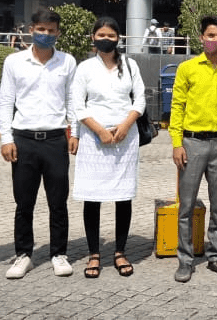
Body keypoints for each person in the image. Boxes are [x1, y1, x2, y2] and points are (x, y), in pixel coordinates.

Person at [0, 9, 77, 280]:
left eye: (51, 30)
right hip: (24, 139)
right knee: (24, 202)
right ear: (31, 30)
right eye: (41, 29)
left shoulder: (67, 62)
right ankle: (24, 255)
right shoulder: (14, 62)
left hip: (55, 139)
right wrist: (6, 138)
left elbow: (73, 101)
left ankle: (59, 253)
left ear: (58, 33)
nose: (46, 35)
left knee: (58, 201)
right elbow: (6, 101)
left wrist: (74, 132)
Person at [70, 17, 147, 279]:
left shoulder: (130, 65)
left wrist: (125, 125)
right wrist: (99, 130)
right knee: (93, 196)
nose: (106, 39)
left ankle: (120, 251)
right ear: (93, 37)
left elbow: (140, 99)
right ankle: (94, 254)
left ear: (119, 38)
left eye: (111, 35)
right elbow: (78, 105)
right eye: (101, 34)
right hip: (95, 138)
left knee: (123, 196)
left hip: (125, 137)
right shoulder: (84, 68)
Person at [169, 15, 217, 283]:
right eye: (211, 36)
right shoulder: (187, 68)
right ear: (201, 38)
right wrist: (177, 143)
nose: (215, 41)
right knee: (186, 205)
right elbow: (177, 106)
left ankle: (215, 256)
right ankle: (185, 260)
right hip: (192, 143)